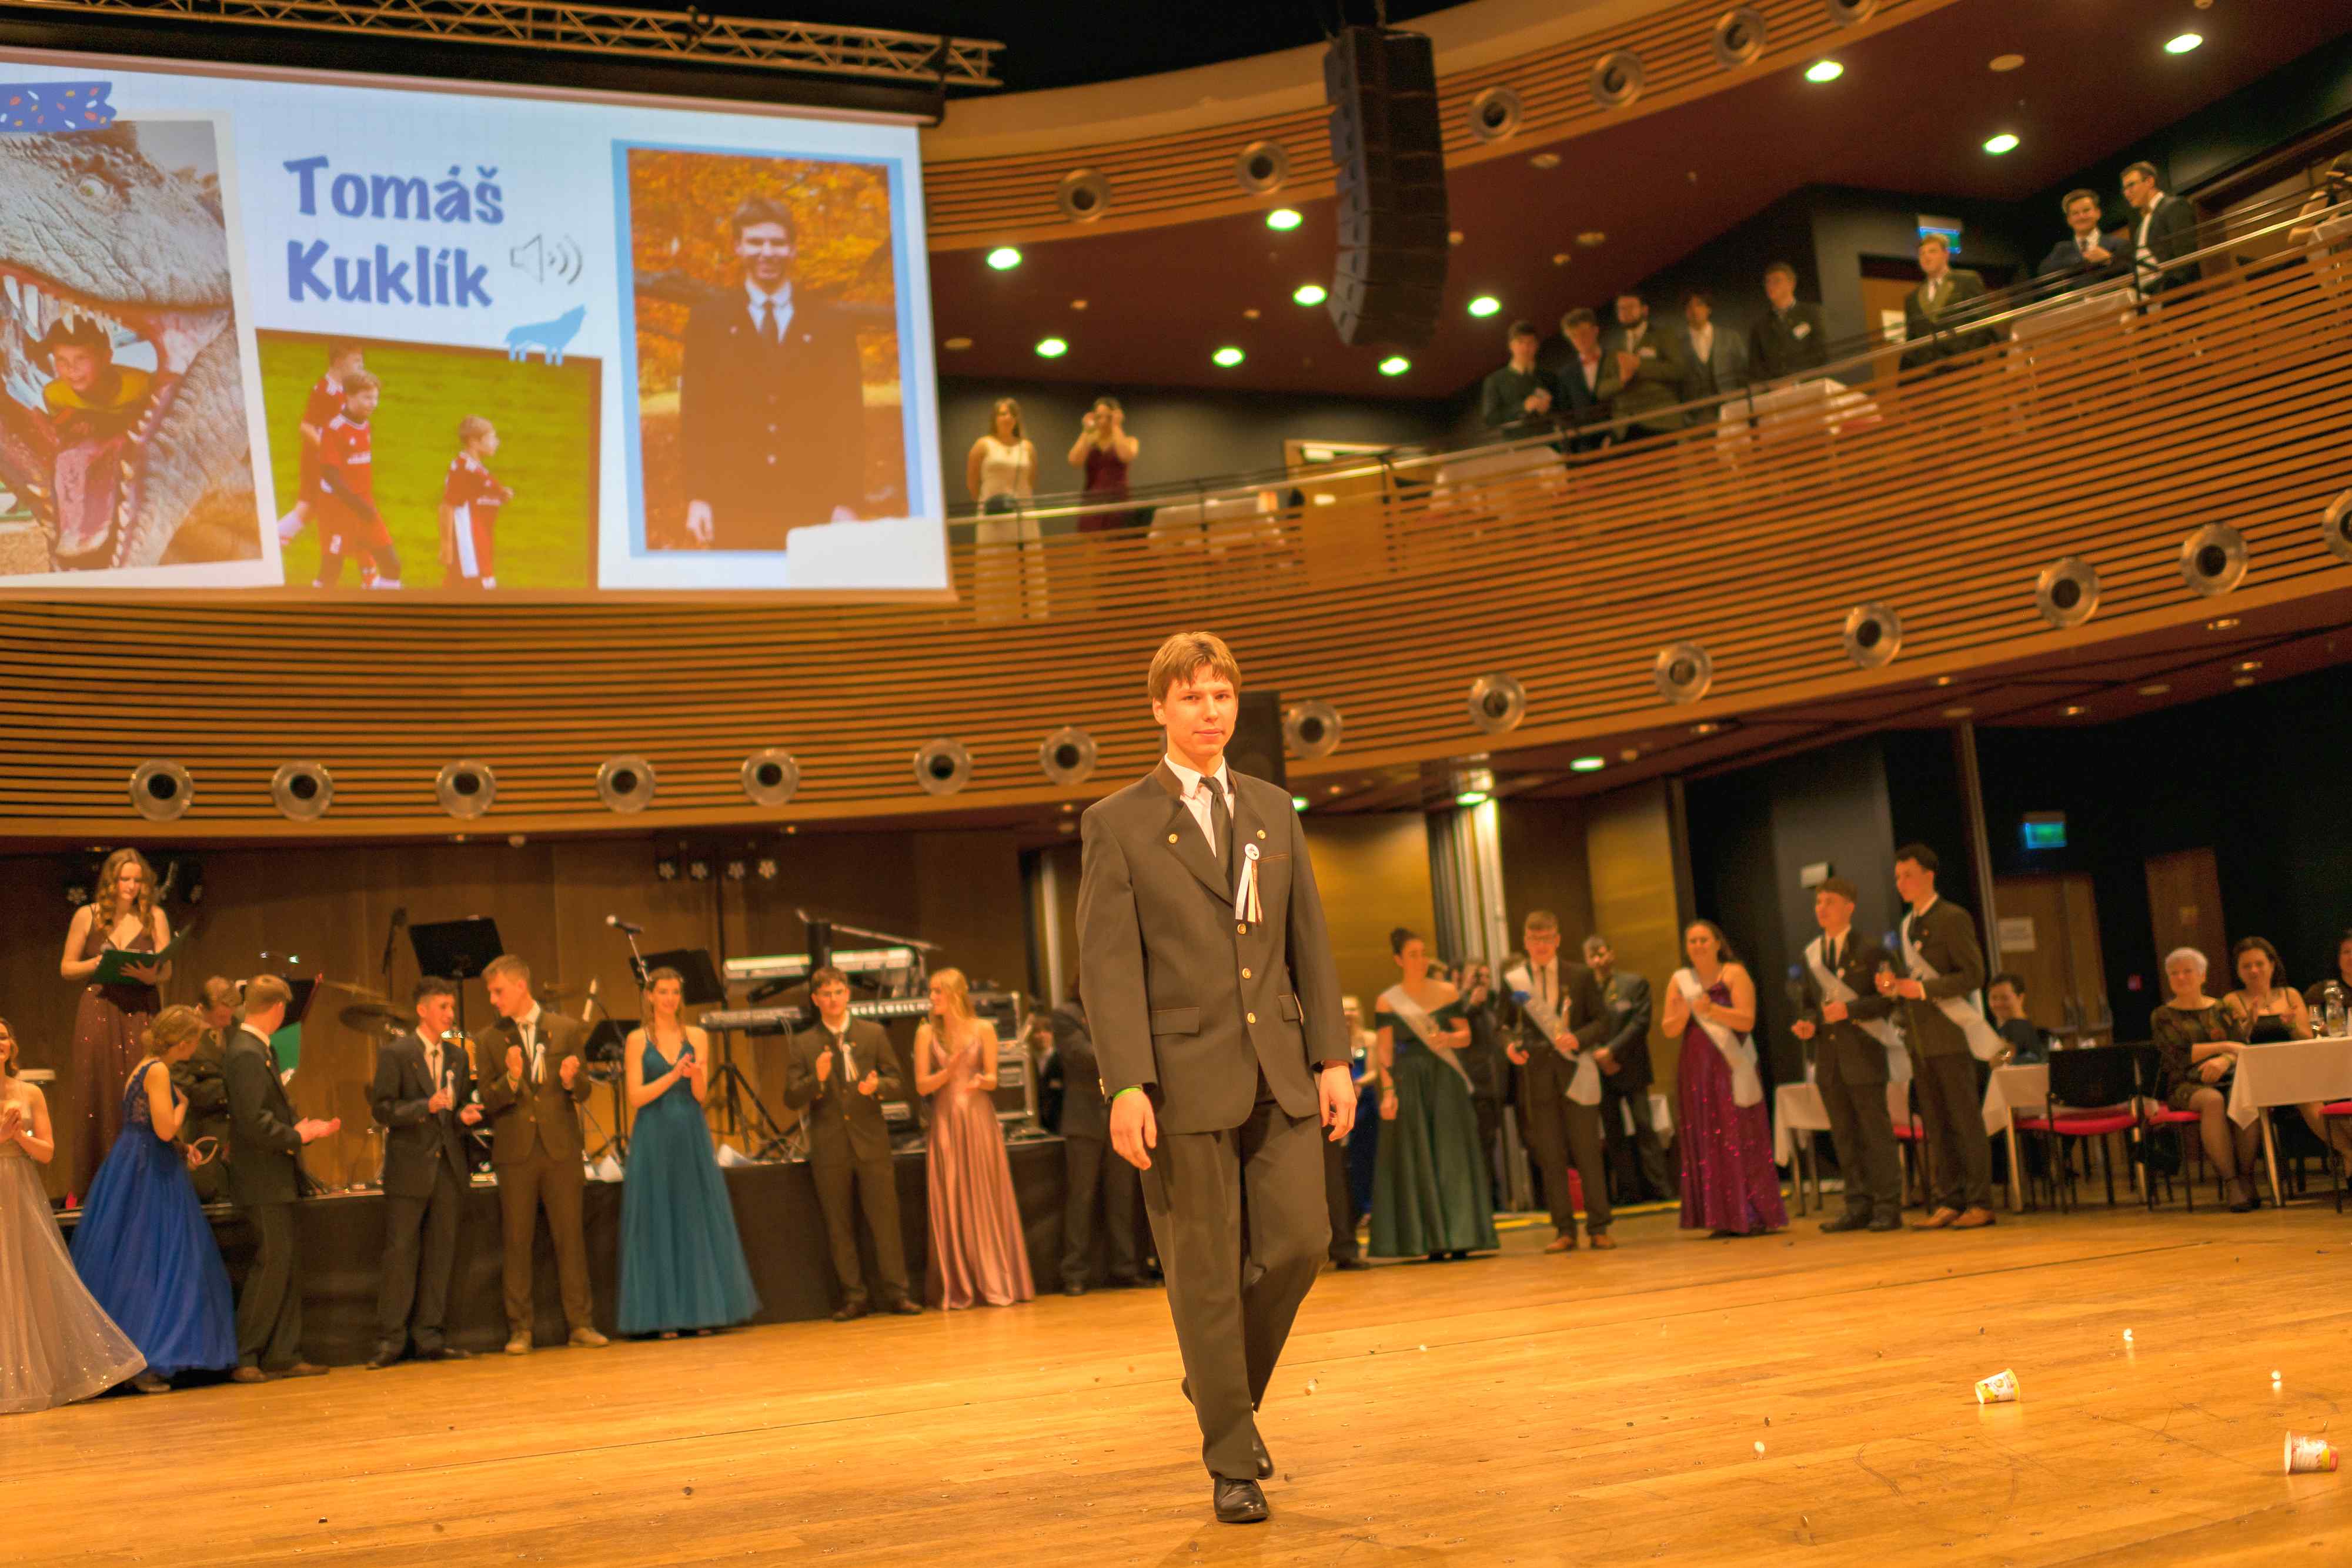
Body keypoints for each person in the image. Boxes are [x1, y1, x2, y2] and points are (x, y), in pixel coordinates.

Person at [1075, 630, 1352, 1526]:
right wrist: (1125, 1082)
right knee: (1203, 1275)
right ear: (1159, 707)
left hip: (1281, 1066)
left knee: (1303, 1239)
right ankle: (1233, 1459)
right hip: (1179, 1080)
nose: (1210, 710)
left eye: (1222, 694)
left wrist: (1334, 1056)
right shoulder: (1117, 822)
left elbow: (1308, 938)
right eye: (1192, 695)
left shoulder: (1274, 808)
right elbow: (1107, 969)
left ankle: (1218, 1384)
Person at [681, 196, 867, 550]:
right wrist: (698, 497)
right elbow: (696, 416)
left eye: (778, 243)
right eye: (755, 242)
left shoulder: (832, 325)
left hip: (814, 503)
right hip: (734, 505)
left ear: (793, 250)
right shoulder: (708, 322)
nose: (767, 252)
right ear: (738, 247)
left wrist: (847, 502)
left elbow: (849, 419)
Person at [65, 1005, 234, 1393]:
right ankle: (147, 1359)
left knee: (135, 1260)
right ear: (183, 1041)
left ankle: (133, 1358)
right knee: (156, 1262)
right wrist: (183, 1107)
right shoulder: (158, 1070)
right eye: (194, 1039)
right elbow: (163, 1129)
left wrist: (181, 1146)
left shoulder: (143, 1067)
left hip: (134, 1162)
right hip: (150, 1172)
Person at [0, 1015, 146, 1415]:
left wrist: (19, 1136)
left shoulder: (30, 1092)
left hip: (20, 1189)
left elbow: (48, 1152)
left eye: (4, 1037)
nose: (1, 1043)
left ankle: (30, 1378)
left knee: (27, 1277)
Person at [618, 967, 759, 1339]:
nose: (670, 999)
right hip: (653, 1134)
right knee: (659, 1220)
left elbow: (700, 1095)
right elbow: (636, 1097)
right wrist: (671, 1076)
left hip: (690, 1133)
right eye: (663, 992)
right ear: (650, 996)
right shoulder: (637, 1039)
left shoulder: (696, 1036)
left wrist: (695, 1074)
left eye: (675, 992)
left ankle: (700, 1313)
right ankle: (664, 1318)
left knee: (693, 1218)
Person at [479, 954, 608, 1353]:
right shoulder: (489, 1039)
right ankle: (520, 1329)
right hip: (515, 1154)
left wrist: (572, 1081)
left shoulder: (566, 1029)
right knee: (517, 1242)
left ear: (521, 986)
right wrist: (511, 1077)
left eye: (498, 991)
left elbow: (584, 1090)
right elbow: (487, 1100)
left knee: (570, 1239)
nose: (493, 1000)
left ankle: (581, 1324)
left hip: (560, 1149)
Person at [783, 967, 920, 1319]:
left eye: (839, 992)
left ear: (848, 994)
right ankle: (854, 1297)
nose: (833, 1000)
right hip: (830, 1147)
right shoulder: (804, 1043)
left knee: (885, 1221)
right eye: (826, 994)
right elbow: (791, 1097)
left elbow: (898, 1082)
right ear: (815, 1000)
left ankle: (898, 1293)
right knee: (839, 1225)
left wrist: (878, 1087)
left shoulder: (873, 1034)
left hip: (871, 1143)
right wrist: (817, 1079)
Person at [1876, 844, 1998, 1230]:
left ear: (1929, 876)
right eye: (1897, 877)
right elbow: (1911, 984)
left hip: (1951, 1036)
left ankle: (1980, 1201)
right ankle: (1950, 1199)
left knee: (1964, 1121)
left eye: (1908, 875)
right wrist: (1894, 987)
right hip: (1920, 1039)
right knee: (1936, 1124)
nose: (1901, 883)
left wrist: (1924, 989)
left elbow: (1974, 975)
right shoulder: (1906, 926)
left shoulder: (1952, 918)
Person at [225, 975, 338, 1382]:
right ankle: (246, 1354)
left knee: (285, 1261)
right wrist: (297, 1135)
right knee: (272, 1262)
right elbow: (253, 1121)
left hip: (274, 1175)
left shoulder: (257, 1048)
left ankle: (283, 1353)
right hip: (261, 1177)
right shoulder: (246, 1052)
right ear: (278, 1009)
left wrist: (299, 1128)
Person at [366, 979, 483, 1368]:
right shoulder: (396, 1053)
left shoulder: (458, 1056)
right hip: (409, 1168)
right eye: (443, 1007)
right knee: (401, 1254)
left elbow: (456, 1110)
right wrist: (423, 1107)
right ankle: (391, 1340)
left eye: (451, 1007)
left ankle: (430, 1336)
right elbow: (382, 1109)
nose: (450, 1014)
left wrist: (463, 1115)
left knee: (441, 1254)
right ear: (422, 1010)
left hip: (448, 1167)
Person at [1368, 930, 1498, 1262]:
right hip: (1410, 1082)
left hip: (1445, 1080)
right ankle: (1430, 1240)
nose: (1421, 960)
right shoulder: (1387, 1000)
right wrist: (1388, 1093)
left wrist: (1449, 1039)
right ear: (1398, 960)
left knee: (1451, 1155)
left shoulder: (1447, 991)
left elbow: (1465, 1035)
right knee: (1420, 1158)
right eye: (1413, 954)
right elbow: (1384, 1051)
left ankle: (1461, 1235)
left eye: (1423, 953)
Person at [912, 969, 1034, 1310]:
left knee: (984, 1193)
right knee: (950, 1192)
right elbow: (921, 1086)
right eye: (931, 991)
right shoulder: (926, 1032)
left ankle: (994, 1277)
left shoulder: (984, 1029)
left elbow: (994, 1078)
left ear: (956, 993)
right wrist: (948, 1073)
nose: (933, 997)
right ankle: (959, 1283)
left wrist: (982, 1081)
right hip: (946, 1118)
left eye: (938, 991)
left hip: (979, 1118)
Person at [1789, 880, 1902, 1234]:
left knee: (1875, 1135)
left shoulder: (1871, 950)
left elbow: (1888, 999)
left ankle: (1887, 1207)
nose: (1822, 908)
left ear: (1850, 906)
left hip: (1864, 1055)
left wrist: (1850, 1010)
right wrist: (1808, 1023)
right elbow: (1810, 1003)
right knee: (1844, 1136)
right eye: (1819, 903)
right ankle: (1857, 1206)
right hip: (1829, 1059)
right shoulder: (1812, 954)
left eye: (1830, 902)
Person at [1499, 911, 1614, 1252]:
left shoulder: (1580, 975)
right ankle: (1564, 1230)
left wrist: (1578, 1039)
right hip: (1537, 1078)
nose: (1541, 945)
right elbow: (1501, 1025)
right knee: (1550, 1156)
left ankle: (1598, 1227)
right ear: (1525, 941)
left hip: (1576, 1072)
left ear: (1558, 940)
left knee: (1588, 1152)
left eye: (1547, 938)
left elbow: (1603, 1022)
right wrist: (1509, 1046)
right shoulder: (1514, 981)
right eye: (1535, 939)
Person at [62, 847, 172, 1196]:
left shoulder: (154, 915)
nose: (131, 886)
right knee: (101, 1085)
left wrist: (152, 974)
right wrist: (97, 963)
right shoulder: (87, 915)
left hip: (142, 1006)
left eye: (138, 880)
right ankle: (99, 1184)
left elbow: (167, 968)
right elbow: (67, 967)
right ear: (112, 880)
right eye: (125, 879)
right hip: (101, 1006)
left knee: (143, 1084)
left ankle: (147, 1179)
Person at [1665, 920, 1785, 1237]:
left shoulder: (1735, 973)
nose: (1698, 946)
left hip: (1731, 1066)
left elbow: (1747, 1020)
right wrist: (1684, 1013)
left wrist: (1712, 1011)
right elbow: (1669, 1029)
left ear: (1718, 943)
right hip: (1696, 1070)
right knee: (1706, 1136)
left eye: (1704, 940)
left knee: (1738, 1134)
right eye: (1692, 941)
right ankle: (1720, 1217)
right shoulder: (1679, 980)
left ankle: (1751, 1213)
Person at [2221, 937, 2352, 1174]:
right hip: (2258, 1077)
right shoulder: (2232, 1000)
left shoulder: (2290, 995)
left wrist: (2291, 1026)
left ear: (2272, 965)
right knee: (2304, 1090)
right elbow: (2236, 1044)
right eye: (2246, 966)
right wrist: (2250, 1023)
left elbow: (2308, 1039)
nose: (2254, 971)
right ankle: (2348, 1154)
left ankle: (2348, 1155)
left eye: (2259, 964)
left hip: (2299, 1071)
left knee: (2318, 1092)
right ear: (2238, 971)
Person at [2149, 947, 2261, 1212]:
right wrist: (2224, 1047)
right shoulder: (2162, 1015)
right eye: (2174, 973)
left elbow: (2241, 1047)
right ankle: (2231, 1182)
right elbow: (2178, 1055)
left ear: (2202, 976)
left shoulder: (2222, 1008)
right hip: (2185, 1083)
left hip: (2228, 1077)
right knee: (2212, 1101)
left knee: (2245, 1097)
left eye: (2187, 971)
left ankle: (2247, 1177)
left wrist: (2225, 1060)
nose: (2181, 977)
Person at [1050, 992, 1142, 1294]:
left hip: (1120, 1115)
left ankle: (1125, 1269)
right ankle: (1074, 1273)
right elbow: (1081, 1055)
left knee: (1122, 1195)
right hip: (1083, 1118)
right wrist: (1122, 1055)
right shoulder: (1066, 1014)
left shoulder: (1117, 1008)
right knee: (1081, 1197)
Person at [1584, 934, 1669, 1204]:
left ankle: (1659, 1189)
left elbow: (1640, 1023)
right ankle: (1628, 1192)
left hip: (1632, 1066)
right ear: (1587, 960)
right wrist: (1600, 1055)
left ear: (1612, 954)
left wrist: (1612, 1051)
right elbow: (1582, 1027)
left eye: (1602, 953)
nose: (1599, 960)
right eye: (1593, 956)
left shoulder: (1634, 983)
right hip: (1600, 1070)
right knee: (1614, 1134)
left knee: (1645, 1127)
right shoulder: (1584, 990)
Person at [312, 371, 400, 589]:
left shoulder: (365, 425)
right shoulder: (335, 429)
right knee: (331, 571)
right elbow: (330, 475)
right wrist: (359, 506)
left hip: (364, 506)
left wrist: (364, 506)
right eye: (367, 398)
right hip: (338, 508)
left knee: (392, 566)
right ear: (349, 396)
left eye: (376, 398)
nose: (373, 403)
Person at [278, 340, 364, 544]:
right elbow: (306, 427)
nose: (361, 366)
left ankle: (276, 539)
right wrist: (328, 451)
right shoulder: (324, 391)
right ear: (339, 362)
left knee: (310, 509)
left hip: (329, 461)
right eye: (356, 361)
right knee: (320, 506)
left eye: (362, 361)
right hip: (317, 460)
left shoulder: (343, 391)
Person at [967, 396, 1044, 620]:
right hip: (992, 516)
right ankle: (994, 618)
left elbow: (1031, 481)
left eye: (1012, 414)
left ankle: (1031, 615)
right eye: (1002, 413)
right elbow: (972, 482)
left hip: (1023, 514)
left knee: (1027, 564)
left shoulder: (1027, 447)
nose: (1007, 417)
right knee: (995, 566)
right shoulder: (983, 445)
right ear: (995, 418)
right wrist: (988, 506)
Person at [1453, 959, 1512, 1211]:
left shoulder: (1492, 1006)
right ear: (1463, 977)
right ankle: (1485, 1203)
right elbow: (1456, 1032)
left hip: (1494, 1086)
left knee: (1490, 1146)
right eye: (1476, 976)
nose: (1482, 981)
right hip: (1474, 1088)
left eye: (1486, 976)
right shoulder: (1459, 1005)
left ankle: (1493, 1200)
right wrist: (1472, 1003)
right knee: (1479, 1149)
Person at [173, 977, 238, 1203]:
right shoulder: (183, 1034)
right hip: (203, 1136)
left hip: (234, 1140)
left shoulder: (233, 1027)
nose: (228, 1022)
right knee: (208, 1199)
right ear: (202, 1008)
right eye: (222, 1017)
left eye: (230, 1015)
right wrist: (231, 1088)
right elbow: (182, 1091)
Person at [1595, 290, 1692, 439]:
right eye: (1621, 309)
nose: (1626, 312)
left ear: (1644, 310)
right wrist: (1621, 381)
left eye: (1631, 307)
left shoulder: (1663, 335)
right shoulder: (1614, 347)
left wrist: (1639, 366)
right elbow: (1601, 390)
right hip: (1625, 427)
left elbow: (1679, 370)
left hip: (1661, 421)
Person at [1899, 235, 1994, 374]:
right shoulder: (1912, 298)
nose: (1926, 257)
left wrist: (1971, 358)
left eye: (1932, 251)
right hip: (1927, 374)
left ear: (1946, 255)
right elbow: (1911, 339)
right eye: (1922, 254)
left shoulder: (1966, 281)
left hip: (1963, 367)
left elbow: (1983, 320)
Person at [440, 415, 513, 590]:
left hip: (481, 544)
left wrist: (501, 494)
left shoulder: (476, 468)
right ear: (474, 442)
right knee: (477, 591)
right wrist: (447, 546)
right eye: (492, 438)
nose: (497, 442)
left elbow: (479, 494)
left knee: (457, 590)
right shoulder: (464, 468)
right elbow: (447, 506)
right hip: (470, 548)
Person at [2120, 161, 2199, 298]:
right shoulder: (2140, 227)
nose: (2127, 193)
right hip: (2149, 298)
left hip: (2176, 295)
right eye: (2124, 189)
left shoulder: (2174, 206)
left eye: (2131, 185)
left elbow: (2185, 258)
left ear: (2149, 182)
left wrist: (2166, 293)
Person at [1748, 262, 1829, 382]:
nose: (1770, 286)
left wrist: (1798, 379)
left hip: (1810, 383)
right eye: (1767, 282)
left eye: (1776, 281)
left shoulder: (1812, 313)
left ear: (1792, 284)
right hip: (1777, 389)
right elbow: (1756, 365)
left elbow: (1821, 352)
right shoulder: (1760, 325)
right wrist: (1775, 384)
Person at [1068, 396, 1138, 533]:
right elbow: (1074, 461)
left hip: (1119, 501)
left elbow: (1125, 456)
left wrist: (1116, 426)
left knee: (1120, 541)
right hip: (1092, 501)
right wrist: (1086, 431)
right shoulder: (1090, 442)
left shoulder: (1130, 441)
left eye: (1108, 417)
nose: (1103, 421)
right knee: (1091, 541)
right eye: (1099, 417)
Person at [1478, 320, 1558, 434]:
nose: (1525, 348)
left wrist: (1548, 409)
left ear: (1537, 346)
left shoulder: (1549, 377)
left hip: (1550, 438)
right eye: (1520, 342)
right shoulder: (1495, 381)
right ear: (1511, 345)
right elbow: (1490, 419)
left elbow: (1564, 409)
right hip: (1517, 442)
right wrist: (1523, 407)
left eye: (1530, 343)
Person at [2036, 189, 2129, 287]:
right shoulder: (2061, 250)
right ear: (2069, 220)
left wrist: (2109, 260)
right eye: (2075, 213)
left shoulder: (2120, 244)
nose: (2082, 217)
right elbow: (2043, 274)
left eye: (2086, 210)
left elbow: (2131, 271)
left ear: (2098, 213)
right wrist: (2077, 261)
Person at [1678, 291, 1748, 417]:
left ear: (1708, 309)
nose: (1694, 311)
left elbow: (1744, 371)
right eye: (1689, 307)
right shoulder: (1678, 344)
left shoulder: (1730, 337)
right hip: (1697, 412)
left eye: (1699, 305)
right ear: (1685, 312)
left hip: (1732, 405)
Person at [1555, 307, 1612, 449]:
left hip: (1620, 438)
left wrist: (1614, 435)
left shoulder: (1616, 360)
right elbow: (1565, 413)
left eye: (1584, 333)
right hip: (1586, 446)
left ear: (1595, 331)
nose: (1580, 340)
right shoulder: (1566, 375)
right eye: (1574, 336)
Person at [1986, 973, 2046, 1065]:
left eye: (2005, 998)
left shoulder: (2015, 1026)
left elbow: (2008, 1054)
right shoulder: (2026, 1026)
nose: (1998, 1004)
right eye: (1994, 998)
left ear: (2020, 998)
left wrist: (1998, 1058)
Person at [2302, 928, 2352, 1027]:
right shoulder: (2320, 992)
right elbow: (2308, 1025)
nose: (2351, 957)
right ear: (2337, 957)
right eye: (2346, 952)